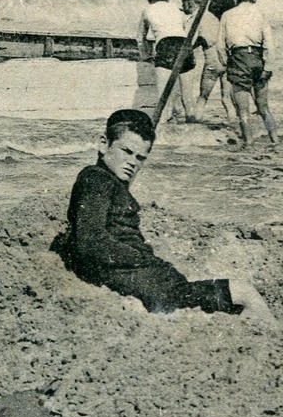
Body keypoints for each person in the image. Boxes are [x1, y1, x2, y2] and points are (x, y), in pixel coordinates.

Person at [53, 108, 245, 315]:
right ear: (103, 144)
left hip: (134, 276)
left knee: (226, 298)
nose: (133, 162)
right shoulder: (96, 179)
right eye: (126, 152)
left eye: (141, 158)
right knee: (243, 292)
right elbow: (91, 241)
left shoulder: (108, 181)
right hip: (132, 278)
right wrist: (142, 259)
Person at [215, 0, 280, 147]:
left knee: (243, 110)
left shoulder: (227, 15)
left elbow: (220, 45)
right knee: (264, 107)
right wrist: (268, 67)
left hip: (237, 57)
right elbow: (269, 44)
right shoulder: (260, 13)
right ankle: (275, 140)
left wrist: (226, 62)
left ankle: (249, 142)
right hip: (257, 58)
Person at [137, 0, 192, 121]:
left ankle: (162, 129)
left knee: (163, 95)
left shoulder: (147, 10)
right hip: (184, 44)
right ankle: (193, 124)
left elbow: (140, 38)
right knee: (187, 94)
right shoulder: (176, 9)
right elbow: (185, 27)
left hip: (166, 45)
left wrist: (145, 56)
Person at [181, 0, 231, 122]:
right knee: (227, 98)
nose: (182, 6)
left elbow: (190, 42)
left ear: (189, 3)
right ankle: (234, 122)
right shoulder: (212, 16)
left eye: (183, 3)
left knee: (203, 96)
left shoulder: (195, 19)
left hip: (213, 62)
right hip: (227, 60)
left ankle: (195, 122)